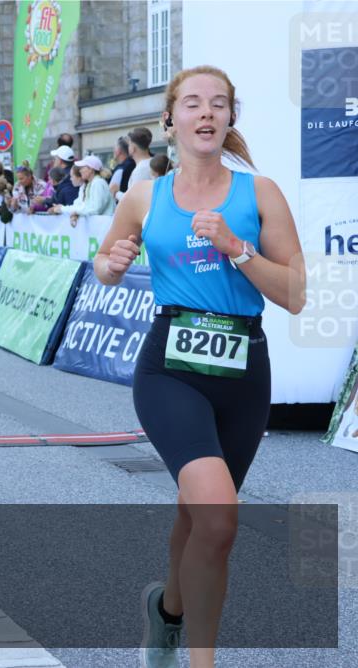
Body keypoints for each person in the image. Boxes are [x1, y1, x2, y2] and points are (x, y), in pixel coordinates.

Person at [94, 65, 304, 668]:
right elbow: (105, 263)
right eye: (192, 103)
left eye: (218, 104)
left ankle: (166, 614)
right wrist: (113, 263)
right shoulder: (145, 195)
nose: (206, 113)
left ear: (230, 118)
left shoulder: (259, 194)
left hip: (244, 371)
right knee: (217, 511)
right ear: (170, 120)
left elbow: (294, 293)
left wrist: (239, 251)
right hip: (171, 369)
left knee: (201, 520)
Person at [52, 155, 115, 221]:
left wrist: (73, 212)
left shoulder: (98, 183)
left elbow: (96, 209)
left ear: (91, 169)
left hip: (104, 225)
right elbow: (86, 207)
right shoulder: (91, 184)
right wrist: (65, 209)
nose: (80, 171)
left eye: (82, 168)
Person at [109, 136, 137, 201]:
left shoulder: (123, 168)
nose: (113, 151)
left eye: (114, 148)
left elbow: (112, 191)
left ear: (118, 151)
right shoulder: (133, 163)